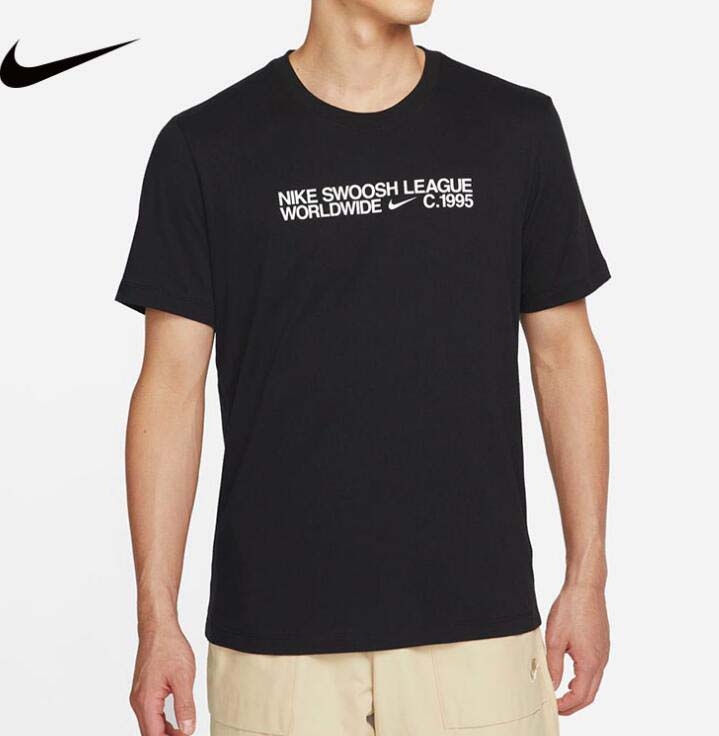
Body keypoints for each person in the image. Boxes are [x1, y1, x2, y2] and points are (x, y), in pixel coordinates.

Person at [117, 1, 611, 734]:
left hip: (476, 634)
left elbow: (564, 352)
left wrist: (587, 576)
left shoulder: (515, 128)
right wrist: (156, 618)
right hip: (275, 646)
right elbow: (170, 386)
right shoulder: (206, 146)